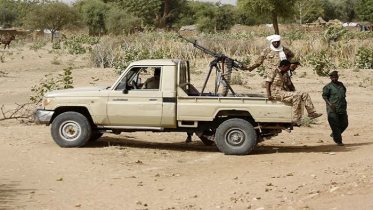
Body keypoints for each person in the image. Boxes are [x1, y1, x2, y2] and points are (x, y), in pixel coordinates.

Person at [266, 60, 323, 126]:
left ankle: (311, 113)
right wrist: (269, 95)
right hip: (276, 93)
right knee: (297, 95)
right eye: (288, 67)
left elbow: (289, 84)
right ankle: (296, 117)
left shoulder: (285, 73)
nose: (288, 69)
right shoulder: (274, 71)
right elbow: (268, 82)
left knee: (304, 93)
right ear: (283, 66)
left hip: (283, 92)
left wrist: (295, 91)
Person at [322, 71, 348, 146]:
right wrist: (330, 105)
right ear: (330, 78)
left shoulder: (341, 85)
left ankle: (335, 134)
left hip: (342, 108)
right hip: (332, 109)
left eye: (336, 77)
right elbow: (325, 96)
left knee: (344, 123)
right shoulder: (328, 87)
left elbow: (344, 94)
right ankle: (338, 140)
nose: (335, 78)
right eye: (333, 77)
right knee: (335, 125)